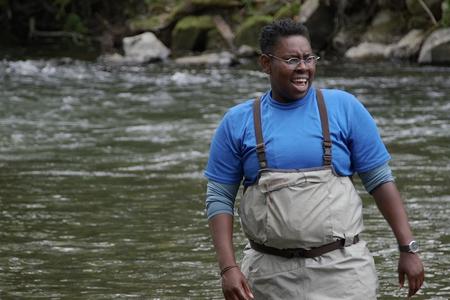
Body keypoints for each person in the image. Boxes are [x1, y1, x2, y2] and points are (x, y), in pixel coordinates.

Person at [204, 18, 424, 300]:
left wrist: (408, 248)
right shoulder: (237, 122)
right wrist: (228, 268)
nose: (304, 68)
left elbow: (380, 181)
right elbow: (219, 198)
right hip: (268, 275)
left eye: (308, 58)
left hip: (344, 272)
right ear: (265, 63)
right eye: (292, 59)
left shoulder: (345, 108)